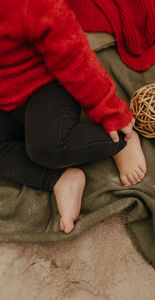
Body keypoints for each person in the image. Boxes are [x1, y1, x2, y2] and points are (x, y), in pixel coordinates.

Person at [0, 0, 147, 234]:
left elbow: (74, 57)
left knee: (48, 146)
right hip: (6, 94)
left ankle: (120, 140)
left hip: (46, 81)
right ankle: (59, 178)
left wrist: (110, 111)